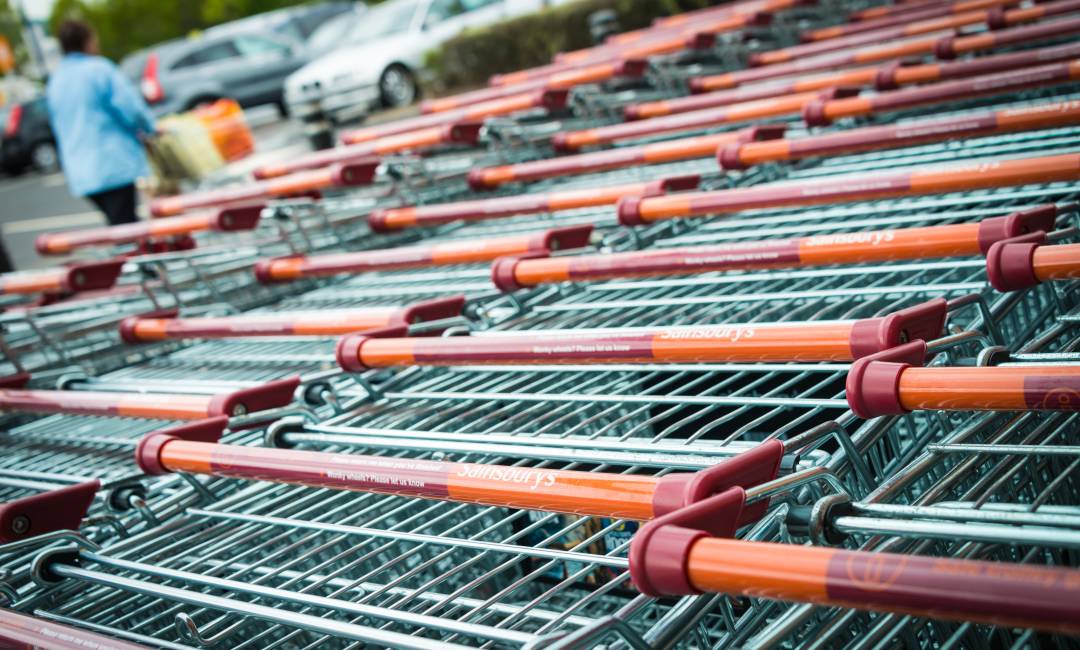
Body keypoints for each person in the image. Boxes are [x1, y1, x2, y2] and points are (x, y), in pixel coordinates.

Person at [46, 20, 155, 226]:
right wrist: (151, 128)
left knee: (120, 222)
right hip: (112, 162)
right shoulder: (98, 69)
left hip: (80, 170)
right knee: (126, 227)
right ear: (88, 41)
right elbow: (130, 108)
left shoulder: (56, 80)